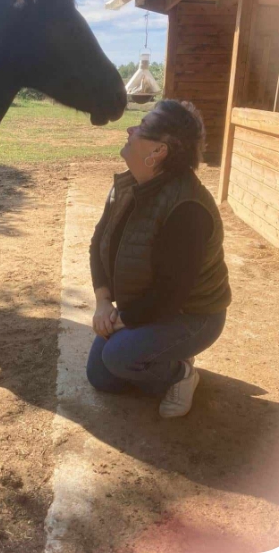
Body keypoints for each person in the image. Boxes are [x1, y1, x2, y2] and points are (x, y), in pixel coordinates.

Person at [86, 100, 231, 418]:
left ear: (157, 152)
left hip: (193, 315)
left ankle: (179, 373)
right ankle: (160, 356)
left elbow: (171, 294)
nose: (129, 129)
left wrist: (121, 321)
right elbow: (99, 243)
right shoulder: (129, 185)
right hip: (146, 304)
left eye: (141, 127)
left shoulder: (187, 209)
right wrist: (103, 302)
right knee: (101, 377)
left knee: (118, 358)